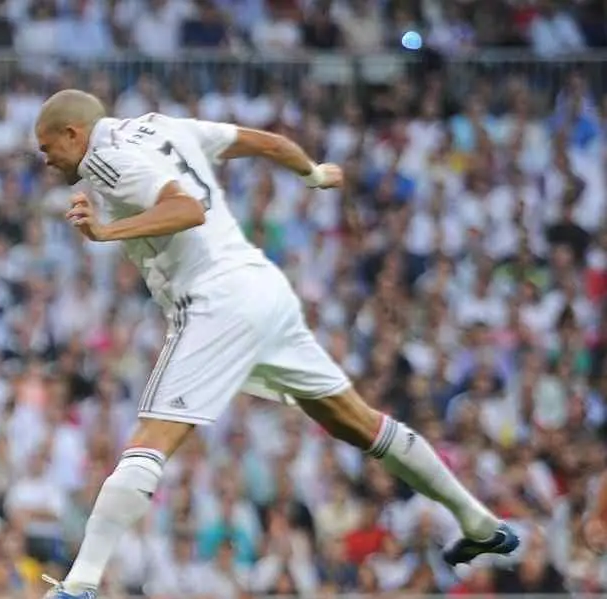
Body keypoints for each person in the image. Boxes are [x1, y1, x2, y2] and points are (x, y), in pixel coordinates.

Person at [30, 90, 518, 599]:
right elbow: (270, 143)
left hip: (214, 300)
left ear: (74, 134)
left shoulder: (104, 159)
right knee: (356, 422)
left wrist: (107, 231)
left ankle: (79, 585)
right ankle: (478, 523)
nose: (47, 160)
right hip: (262, 288)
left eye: (48, 148)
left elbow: (186, 208)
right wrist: (314, 173)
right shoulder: (162, 126)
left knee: (149, 442)